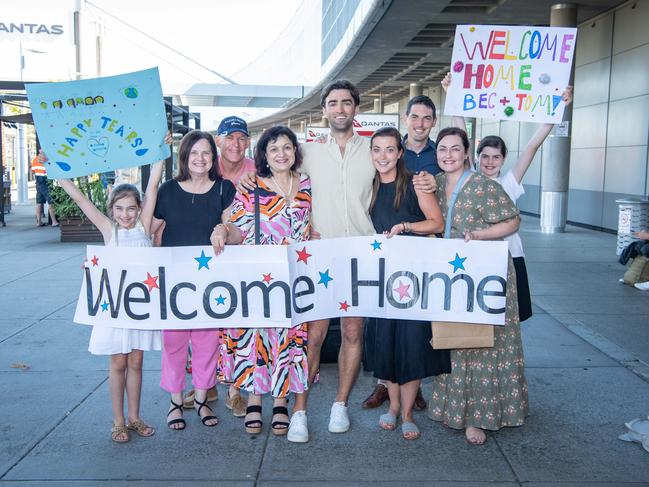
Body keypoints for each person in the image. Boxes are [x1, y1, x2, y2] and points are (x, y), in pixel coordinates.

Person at [237, 80, 438, 437]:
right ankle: (299, 409)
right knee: (312, 335)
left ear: (356, 108)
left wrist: (428, 181)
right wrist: (249, 180)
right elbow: (277, 171)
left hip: (361, 255)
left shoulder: (371, 150)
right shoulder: (309, 152)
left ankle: (339, 405)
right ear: (325, 109)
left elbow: (404, 163)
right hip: (319, 254)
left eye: (346, 102)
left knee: (352, 331)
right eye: (333, 103)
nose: (340, 109)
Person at [40, 135, 170, 442]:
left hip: (140, 308)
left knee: (137, 362)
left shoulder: (143, 228)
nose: (126, 214)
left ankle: (136, 417)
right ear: (111, 210)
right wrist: (51, 165)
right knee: (118, 363)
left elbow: (152, 185)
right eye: (120, 209)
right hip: (113, 308)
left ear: (140, 210)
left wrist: (160, 150)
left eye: (131, 208)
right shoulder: (109, 231)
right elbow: (80, 198)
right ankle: (118, 420)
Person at [441, 73, 573, 322]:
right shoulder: (468, 177)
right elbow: (460, 132)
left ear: (503, 159)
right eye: (485, 156)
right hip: (475, 254)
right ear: (476, 157)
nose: (490, 162)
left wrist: (558, 109)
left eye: (496, 157)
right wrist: (452, 93)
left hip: (510, 254)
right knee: (476, 313)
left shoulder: (510, 182)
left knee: (509, 315)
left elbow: (533, 146)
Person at [427, 127, 526, 446]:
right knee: (454, 342)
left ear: (466, 152)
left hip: (487, 274)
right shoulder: (437, 183)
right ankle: (453, 408)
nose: (448, 155)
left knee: (486, 345)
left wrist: (479, 235)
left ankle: (479, 417)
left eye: (455, 149)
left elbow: (513, 220)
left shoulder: (482, 184)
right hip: (454, 275)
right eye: (443, 148)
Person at [212, 125, 311, 442]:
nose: (281, 154)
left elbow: (311, 226)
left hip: (295, 276)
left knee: (288, 338)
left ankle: (281, 400)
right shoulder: (252, 187)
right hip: (261, 277)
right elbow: (237, 229)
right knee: (257, 337)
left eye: (286, 147)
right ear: (264, 156)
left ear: (295, 151)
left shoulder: (306, 184)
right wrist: (222, 232)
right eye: (274, 149)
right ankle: (255, 398)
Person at [365, 127, 449, 440]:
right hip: (381, 277)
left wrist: (405, 226)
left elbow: (437, 223)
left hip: (413, 276)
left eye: (390, 149)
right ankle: (393, 407)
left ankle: (409, 413)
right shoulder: (369, 185)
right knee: (387, 345)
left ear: (400, 152)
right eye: (377, 150)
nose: (383, 156)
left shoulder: (415, 182)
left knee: (412, 346)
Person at [151, 130, 236, 430]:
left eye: (206, 153)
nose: (200, 159)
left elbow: (232, 225)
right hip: (175, 280)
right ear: (184, 157)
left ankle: (201, 400)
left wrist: (223, 230)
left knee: (206, 342)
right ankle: (175, 402)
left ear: (214, 158)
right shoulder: (168, 191)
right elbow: (149, 228)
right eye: (194, 153)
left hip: (212, 281)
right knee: (173, 342)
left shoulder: (225, 189)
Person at [182, 116, 255, 418]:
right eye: (229, 138)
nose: (235, 144)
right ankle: (206, 383)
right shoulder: (208, 167)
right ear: (219, 141)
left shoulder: (256, 170)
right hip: (206, 257)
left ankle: (235, 388)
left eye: (241, 138)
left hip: (244, 254)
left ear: (247, 142)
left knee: (236, 322)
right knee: (203, 324)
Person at [31, 154, 59, 227]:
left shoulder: (35, 160)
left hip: (38, 182)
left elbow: (33, 171)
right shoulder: (46, 160)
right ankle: (54, 222)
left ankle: (39, 222)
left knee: (39, 202)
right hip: (46, 182)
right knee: (51, 202)